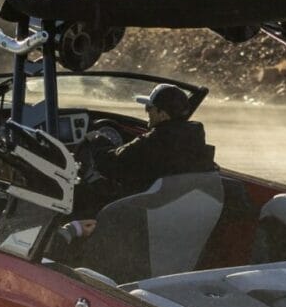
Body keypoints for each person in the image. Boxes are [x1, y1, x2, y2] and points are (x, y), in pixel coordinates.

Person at [70, 83, 217, 218]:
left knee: (82, 194)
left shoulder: (153, 140)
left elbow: (110, 163)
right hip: (178, 210)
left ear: (163, 114)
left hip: (144, 210)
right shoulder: (195, 139)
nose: (147, 112)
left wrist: (97, 140)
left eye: (149, 108)